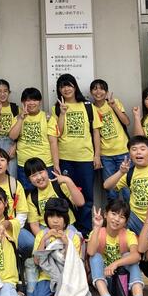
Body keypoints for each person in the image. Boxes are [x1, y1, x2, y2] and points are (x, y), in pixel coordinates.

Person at [48, 73, 102, 236]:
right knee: (67, 195)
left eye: (69, 85)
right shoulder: (56, 108)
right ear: (59, 90)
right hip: (65, 159)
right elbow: (57, 133)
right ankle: (70, 229)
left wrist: (97, 155)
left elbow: (96, 132)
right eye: (62, 86)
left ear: (75, 86)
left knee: (86, 196)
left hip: (85, 158)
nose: (66, 89)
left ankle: (85, 232)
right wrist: (62, 113)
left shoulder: (88, 106)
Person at [88, 199, 148, 296]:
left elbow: (136, 256)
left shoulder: (128, 235)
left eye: (122, 217)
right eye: (114, 214)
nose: (116, 219)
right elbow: (90, 252)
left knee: (129, 257)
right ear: (105, 214)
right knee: (95, 256)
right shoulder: (97, 232)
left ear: (126, 221)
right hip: (102, 278)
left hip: (122, 281)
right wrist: (97, 227)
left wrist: (115, 264)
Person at [31, 198, 87, 296]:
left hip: (67, 278)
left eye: (59, 217)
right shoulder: (41, 234)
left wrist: (67, 244)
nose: (55, 221)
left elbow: (73, 265)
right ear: (46, 218)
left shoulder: (73, 236)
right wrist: (44, 240)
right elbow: (37, 261)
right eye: (51, 216)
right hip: (47, 276)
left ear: (66, 218)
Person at [89, 79, 131, 201]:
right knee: (111, 191)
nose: (98, 92)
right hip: (106, 156)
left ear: (106, 92)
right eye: (95, 89)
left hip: (123, 151)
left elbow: (126, 122)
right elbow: (96, 133)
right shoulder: (91, 109)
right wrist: (97, 156)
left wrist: (114, 107)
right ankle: (113, 213)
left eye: (101, 89)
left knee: (127, 189)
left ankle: (130, 213)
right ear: (91, 92)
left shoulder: (114, 102)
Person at [24, 157, 84, 235]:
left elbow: (80, 202)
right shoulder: (32, 197)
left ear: (47, 171)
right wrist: (44, 239)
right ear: (29, 179)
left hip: (67, 226)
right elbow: (34, 224)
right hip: (46, 229)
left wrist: (68, 181)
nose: (39, 177)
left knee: (76, 239)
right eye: (34, 175)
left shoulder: (60, 185)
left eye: (41, 172)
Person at [9, 87, 53, 191]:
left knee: (47, 194)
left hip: (45, 164)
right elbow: (12, 136)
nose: (31, 103)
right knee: (27, 194)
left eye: (34, 100)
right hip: (24, 164)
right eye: (28, 100)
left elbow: (53, 143)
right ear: (23, 102)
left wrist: (56, 165)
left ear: (40, 102)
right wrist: (21, 118)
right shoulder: (17, 118)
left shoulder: (48, 118)